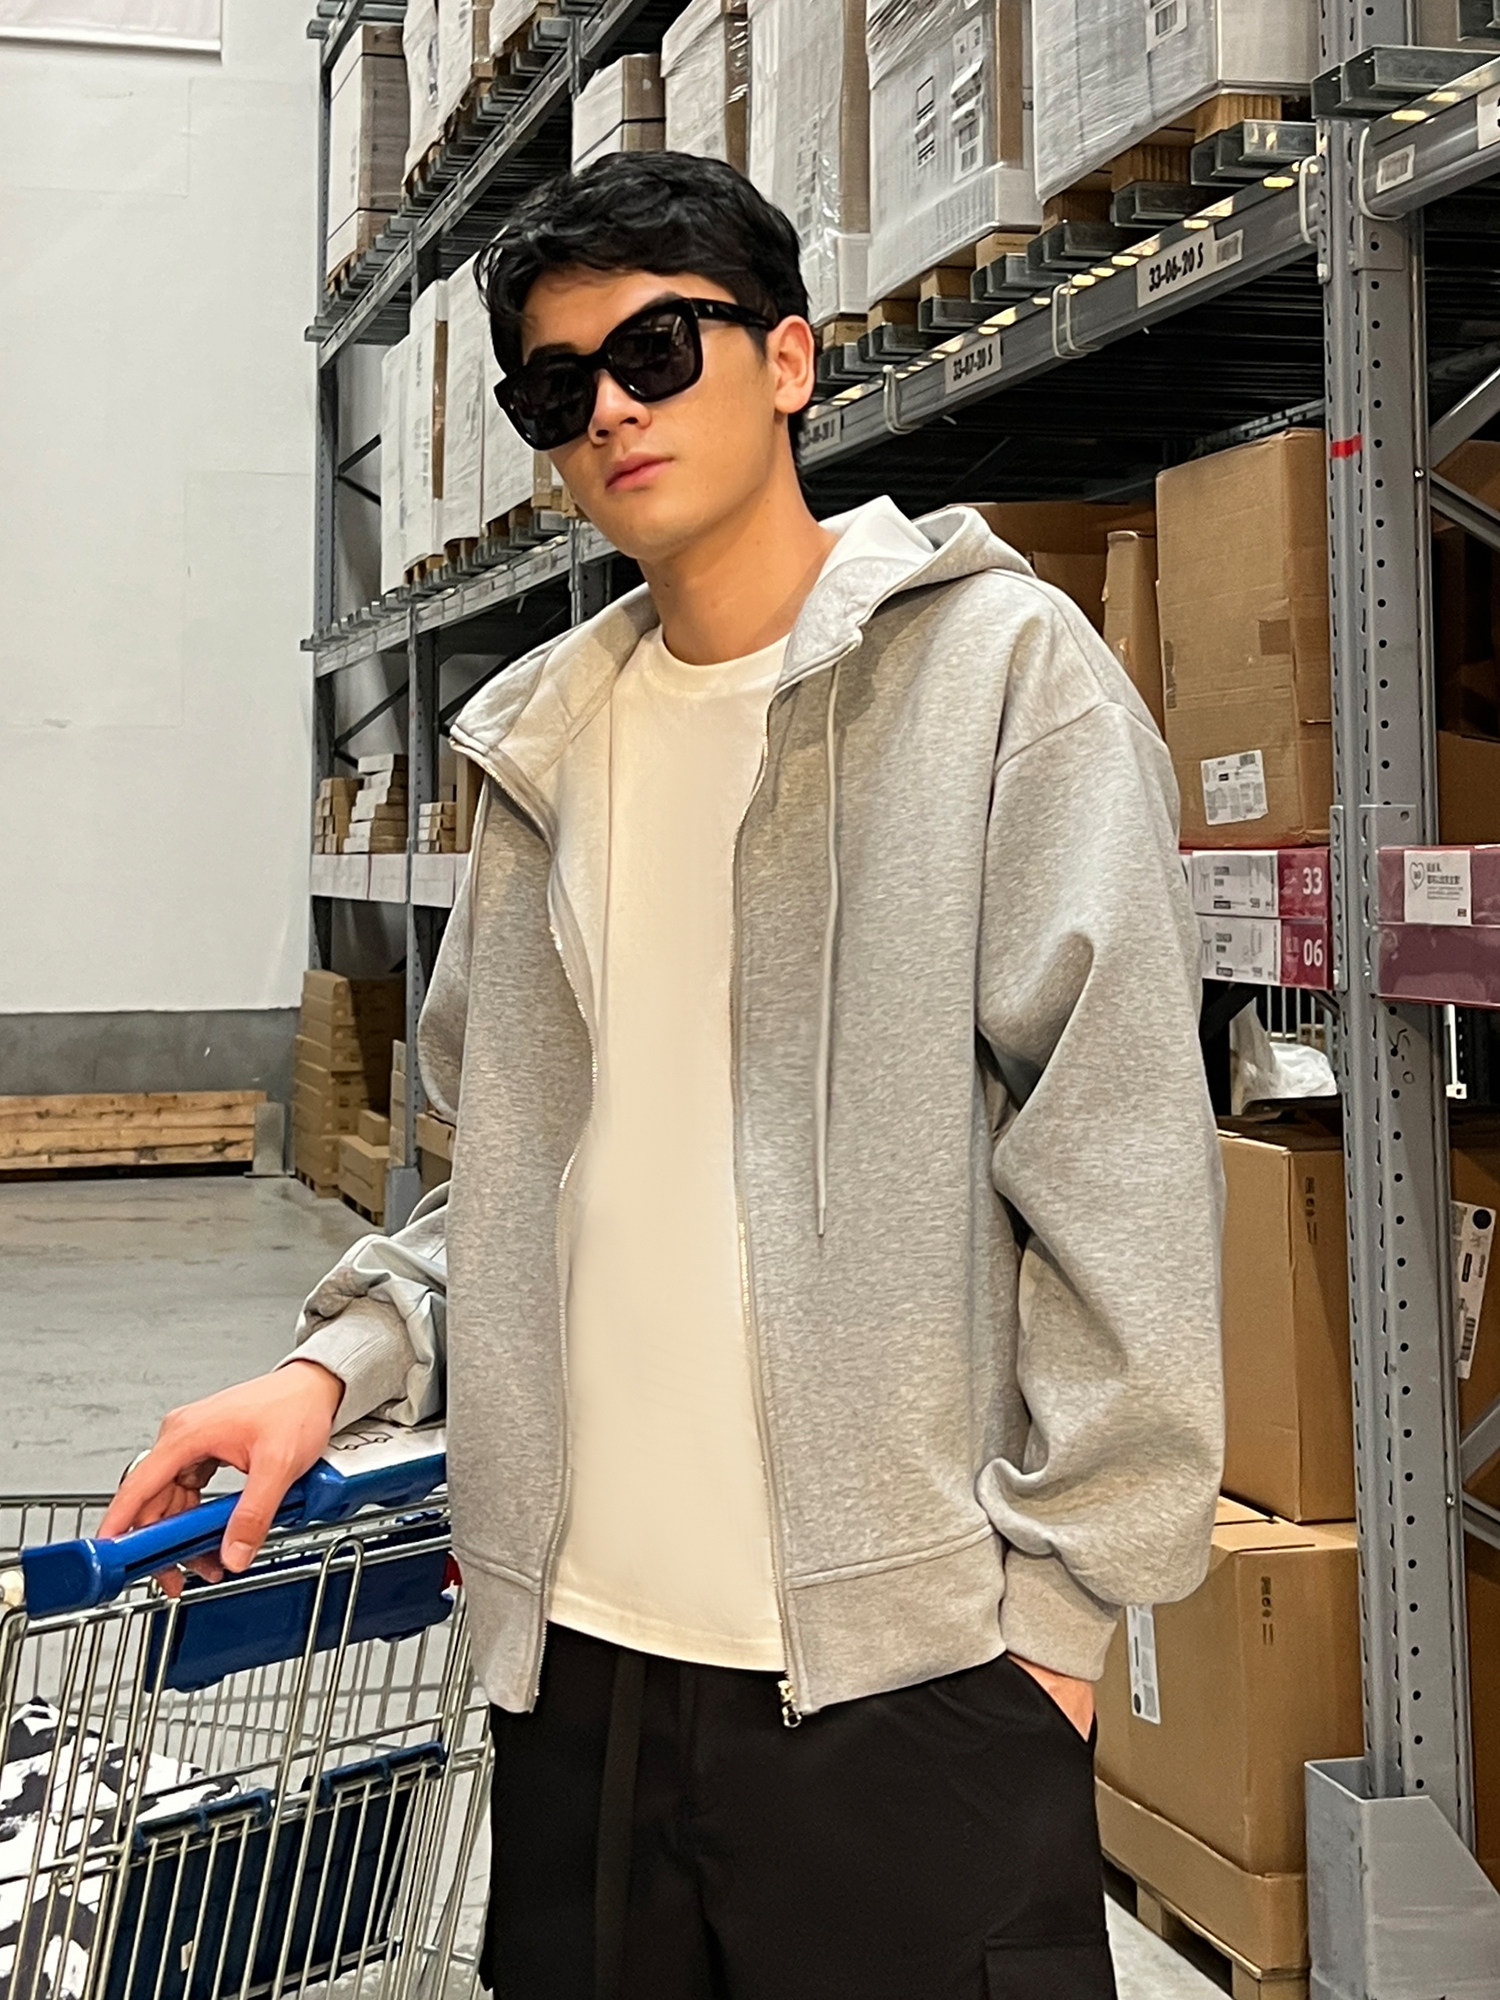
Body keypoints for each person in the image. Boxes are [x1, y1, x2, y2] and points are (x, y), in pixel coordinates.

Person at [102, 152, 1224, 2000]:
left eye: (657, 351)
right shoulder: (545, 745)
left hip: (905, 1684)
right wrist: (333, 1365)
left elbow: (1120, 1164)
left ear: (786, 359)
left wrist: (1060, 1615)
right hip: (579, 1679)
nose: (610, 412)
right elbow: (530, 1184)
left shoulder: (1001, 681)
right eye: (557, 389)